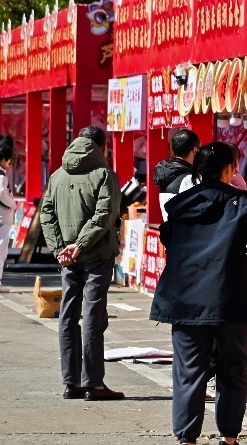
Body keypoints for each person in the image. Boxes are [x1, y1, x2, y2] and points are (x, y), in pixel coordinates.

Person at [150, 142, 247, 445]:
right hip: (229, 298)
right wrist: (244, 255)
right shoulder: (244, 204)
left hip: (185, 298)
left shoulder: (179, 205)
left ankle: (187, 439)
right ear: (229, 169)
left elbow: (168, 239)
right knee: (233, 370)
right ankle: (229, 438)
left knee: (188, 372)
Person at [40, 126, 124, 401]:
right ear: (102, 146)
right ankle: (94, 384)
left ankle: (71, 382)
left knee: (68, 316)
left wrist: (60, 248)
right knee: (92, 316)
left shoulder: (57, 175)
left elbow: (46, 214)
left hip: (68, 257)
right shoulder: (104, 174)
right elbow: (105, 214)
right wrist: (82, 244)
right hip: (96, 255)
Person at [152, 128, 201, 221]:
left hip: (171, 228)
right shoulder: (188, 178)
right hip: (185, 229)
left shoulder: (168, 174)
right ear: (195, 150)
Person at [0, 137, 16, 293]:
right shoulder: (1, 176)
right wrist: (13, 203)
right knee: (1, 251)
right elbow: (1, 194)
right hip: (2, 218)